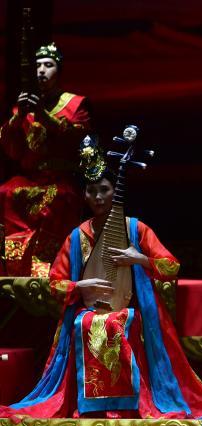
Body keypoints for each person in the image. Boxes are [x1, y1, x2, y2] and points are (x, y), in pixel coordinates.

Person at [2, 137, 202, 418]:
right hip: (89, 309)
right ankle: (91, 407)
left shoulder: (135, 229)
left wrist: (139, 259)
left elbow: (171, 266)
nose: (99, 197)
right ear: (85, 195)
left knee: (118, 322)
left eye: (104, 190)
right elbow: (55, 282)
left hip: (131, 308)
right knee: (87, 322)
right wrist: (81, 285)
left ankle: (128, 406)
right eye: (92, 191)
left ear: (115, 192)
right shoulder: (77, 237)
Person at [0, 42, 90, 276]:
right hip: (31, 178)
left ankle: (49, 271)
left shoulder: (75, 104)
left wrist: (43, 115)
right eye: (38, 66)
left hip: (62, 179)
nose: (41, 70)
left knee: (59, 199)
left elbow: (77, 138)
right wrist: (18, 118)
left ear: (58, 71)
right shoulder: (23, 108)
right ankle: (14, 269)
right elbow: (12, 150)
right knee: (5, 192)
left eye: (48, 65)